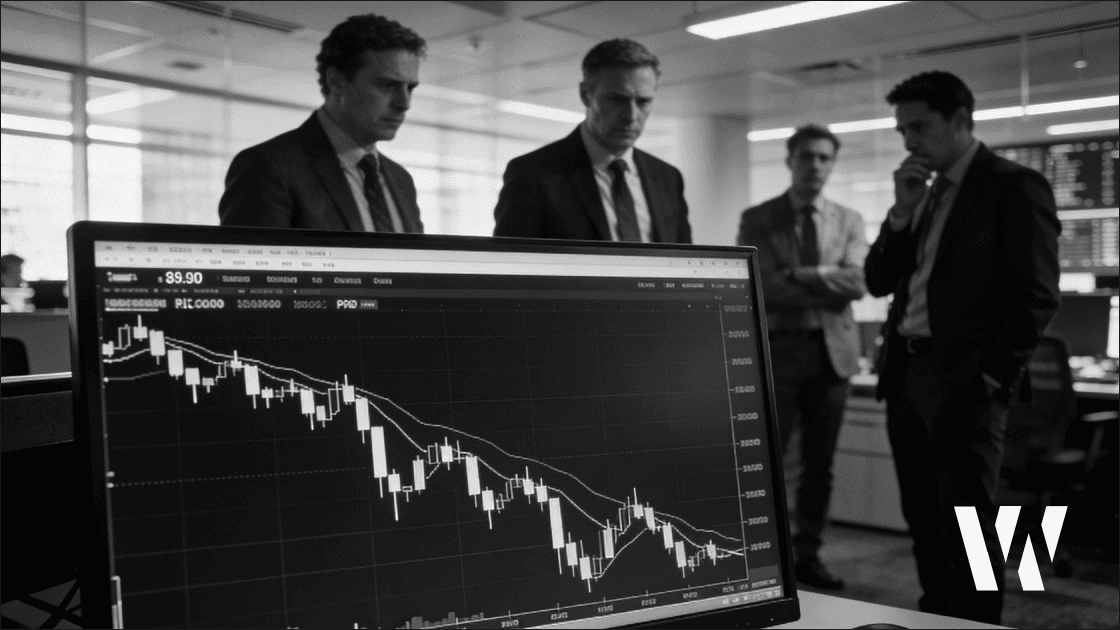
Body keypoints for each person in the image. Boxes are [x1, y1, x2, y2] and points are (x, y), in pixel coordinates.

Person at [864, 71, 1060, 623]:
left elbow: (1037, 297)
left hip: (966, 384)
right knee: (922, 518)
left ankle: (977, 623)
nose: (908, 142)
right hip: (906, 378)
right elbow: (878, 280)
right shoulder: (921, 195)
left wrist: (990, 380)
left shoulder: (1012, 186)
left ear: (960, 120)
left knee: (972, 528)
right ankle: (934, 615)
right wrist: (901, 214)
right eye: (902, 130)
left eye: (919, 127)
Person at [737, 125, 867, 591]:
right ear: (790, 161)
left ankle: (808, 553)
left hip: (831, 358)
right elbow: (760, 284)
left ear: (832, 164)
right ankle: (768, 556)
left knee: (819, 465)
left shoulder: (849, 220)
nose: (815, 165)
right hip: (779, 352)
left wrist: (799, 274)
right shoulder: (759, 219)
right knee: (768, 461)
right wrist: (821, 280)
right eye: (807, 156)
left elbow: (857, 282)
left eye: (824, 158)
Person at [219, 14, 425, 233]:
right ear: (336, 82)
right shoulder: (267, 167)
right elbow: (251, 266)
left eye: (410, 88)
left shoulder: (401, 179)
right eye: (387, 85)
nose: (404, 104)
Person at [493, 39, 691, 243]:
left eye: (643, 101)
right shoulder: (532, 174)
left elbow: (686, 266)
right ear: (586, 94)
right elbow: (512, 269)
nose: (631, 115)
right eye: (617, 99)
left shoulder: (668, 178)